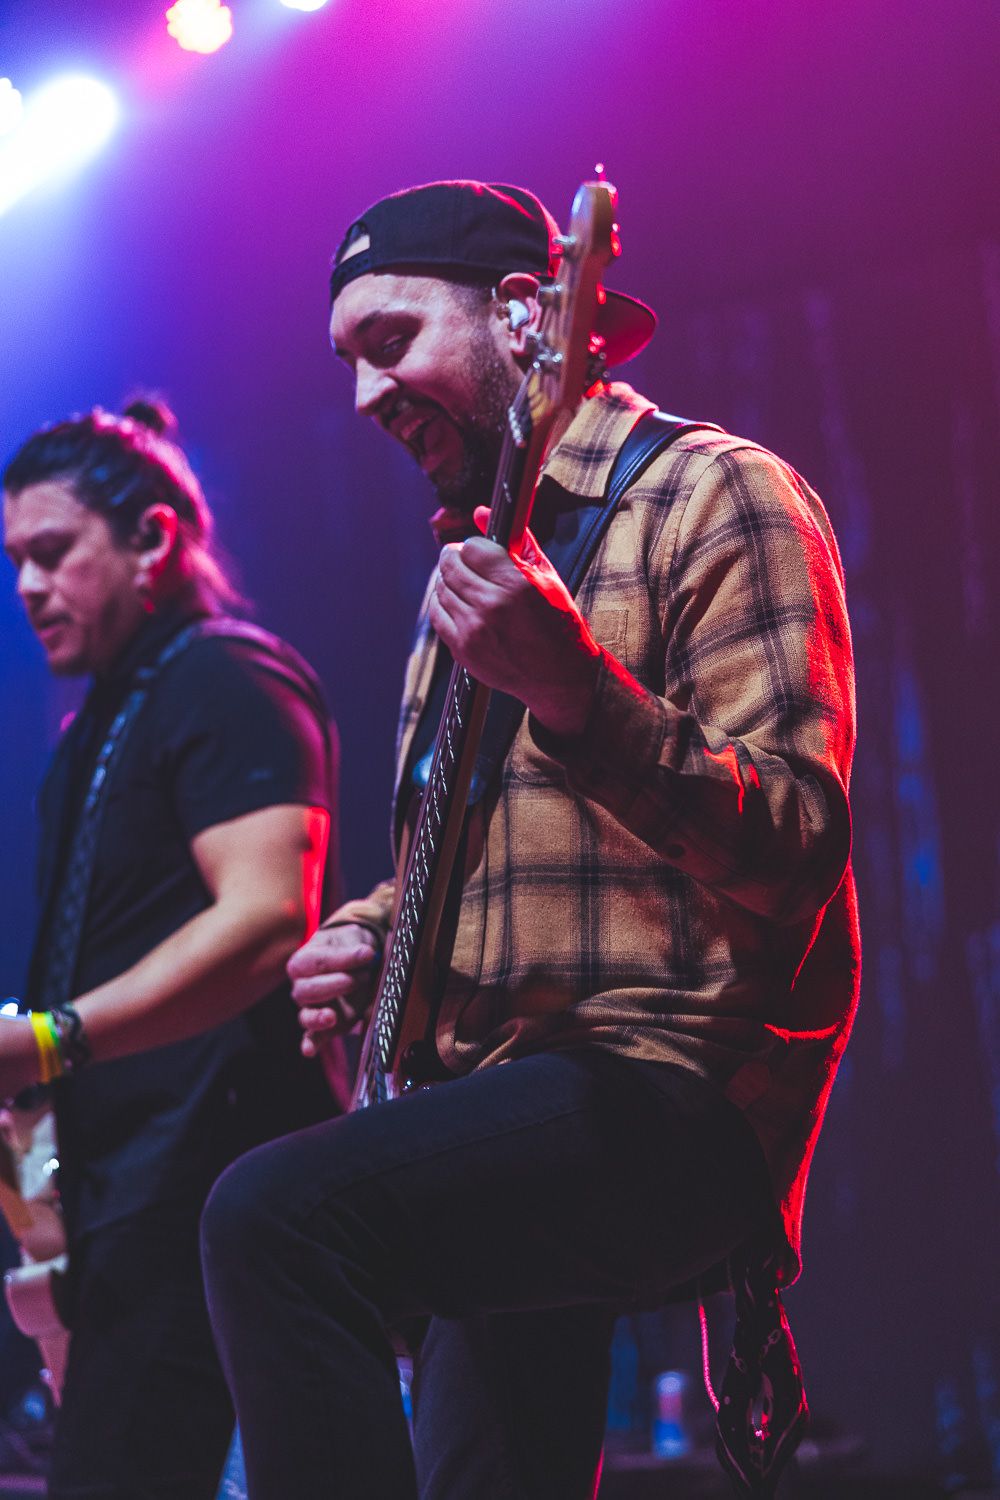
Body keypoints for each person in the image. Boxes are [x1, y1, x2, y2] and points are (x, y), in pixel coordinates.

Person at [201, 181, 861, 1500]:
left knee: (273, 1218)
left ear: (525, 315)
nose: (364, 397)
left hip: (672, 1091)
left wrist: (576, 692)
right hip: (493, 1106)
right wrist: (367, 934)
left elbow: (797, 841)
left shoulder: (714, 493)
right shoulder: (475, 566)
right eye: (346, 363)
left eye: (391, 341)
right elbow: (473, 858)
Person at [0, 399, 345, 1500]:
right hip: (131, 1214)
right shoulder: (106, 717)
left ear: (152, 539)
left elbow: (266, 920)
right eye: (15, 562)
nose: (26, 587)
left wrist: (49, 1040)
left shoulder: (223, 677)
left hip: (209, 1199)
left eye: (52, 552)